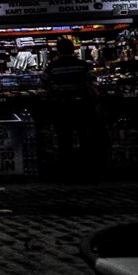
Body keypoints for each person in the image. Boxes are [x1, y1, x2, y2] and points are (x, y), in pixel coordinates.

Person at [43, 37, 102, 180]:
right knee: (85, 138)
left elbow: (44, 83)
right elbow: (93, 82)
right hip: (82, 107)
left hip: (62, 107)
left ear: (58, 50)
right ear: (74, 49)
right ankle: (88, 172)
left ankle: (67, 173)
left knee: (64, 140)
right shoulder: (83, 65)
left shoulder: (53, 67)